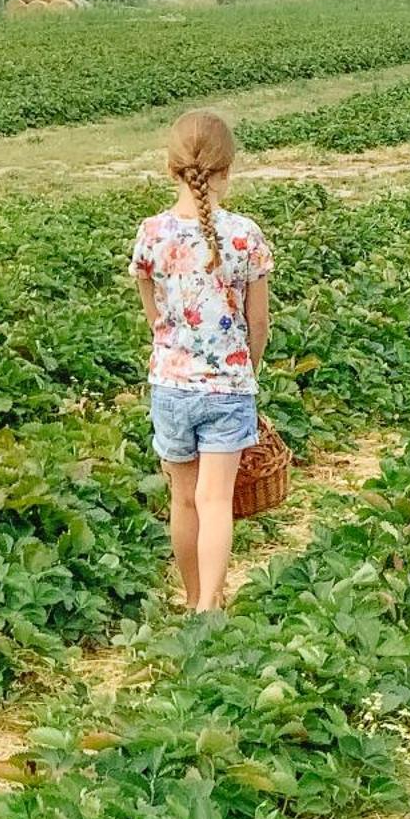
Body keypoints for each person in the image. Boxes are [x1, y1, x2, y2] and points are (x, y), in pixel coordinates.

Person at [132, 109, 274, 613]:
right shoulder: (245, 235)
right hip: (227, 385)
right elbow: (258, 324)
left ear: (171, 169)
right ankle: (209, 606)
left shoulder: (151, 233)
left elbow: (152, 313)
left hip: (171, 385)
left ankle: (191, 594)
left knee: (184, 500)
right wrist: (247, 369)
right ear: (226, 169)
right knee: (217, 502)